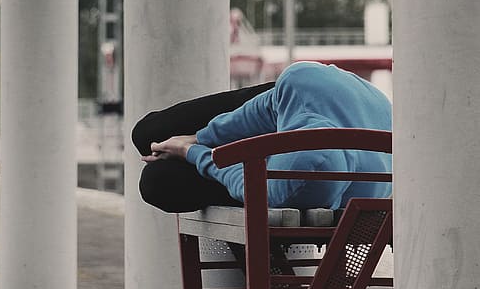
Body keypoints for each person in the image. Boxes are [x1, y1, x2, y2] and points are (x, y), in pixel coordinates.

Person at [133, 61, 392, 213]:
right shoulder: (298, 88)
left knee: (156, 179)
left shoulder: (293, 186)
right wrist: (198, 138)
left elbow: (239, 178)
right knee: (149, 138)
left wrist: (188, 151)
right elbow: (256, 114)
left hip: (337, 99)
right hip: (319, 98)